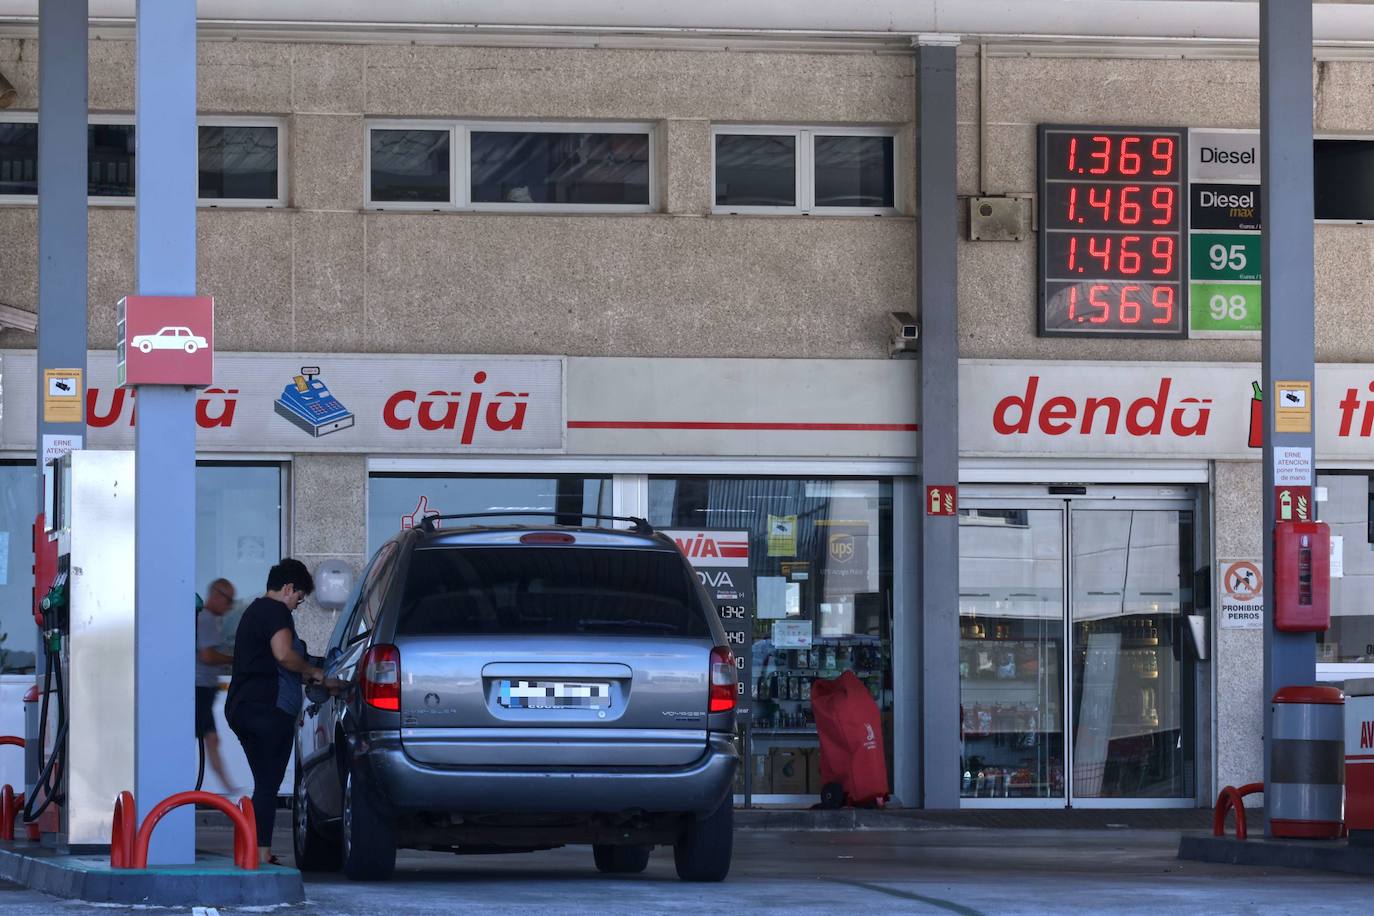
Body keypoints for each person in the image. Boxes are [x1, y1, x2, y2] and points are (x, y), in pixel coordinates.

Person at [226, 559, 322, 865]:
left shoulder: (253, 612)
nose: (296, 605)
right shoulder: (276, 611)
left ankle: (254, 849)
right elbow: (283, 654)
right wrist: (312, 672)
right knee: (268, 784)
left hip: (242, 708)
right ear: (289, 588)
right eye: (299, 598)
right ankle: (260, 853)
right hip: (268, 709)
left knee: (263, 783)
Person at [196, 577, 237, 794]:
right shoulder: (207, 618)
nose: (230, 606)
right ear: (216, 595)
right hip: (200, 688)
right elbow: (207, 655)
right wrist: (233, 660)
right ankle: (226, 788)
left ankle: (227, 787)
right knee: (209, 738)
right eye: (228, 600)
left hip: (204, 689)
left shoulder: (205, 618)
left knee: (211, 739)